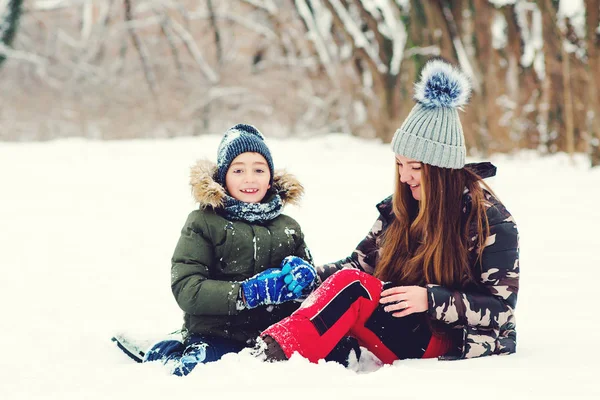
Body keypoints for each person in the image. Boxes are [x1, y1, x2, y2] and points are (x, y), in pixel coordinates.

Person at [256, 59, 520, 364]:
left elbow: (502, 310)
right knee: (347, 286)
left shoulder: (489, 221)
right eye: (399, 164)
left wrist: (431, 300)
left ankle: (272, 358)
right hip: (403, 324)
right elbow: (359, 266)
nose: (405, 177)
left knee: (353, 289)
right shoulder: (401, 207)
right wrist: (312, 277)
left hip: (452, 338)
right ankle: (273, 348)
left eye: (415, 168)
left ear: (442, 170)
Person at [114, 124, 319, 376]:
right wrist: (246, 293)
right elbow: (187, 288)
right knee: (198, 372)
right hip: (216, 333)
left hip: (272, 337)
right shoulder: (203, 223)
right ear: (223, 178)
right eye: (238, 170)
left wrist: (306, 281)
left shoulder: (289, 228)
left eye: (259, 169)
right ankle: (165, 352)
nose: (249, 178)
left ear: (270, 179)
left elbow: (312, 292)